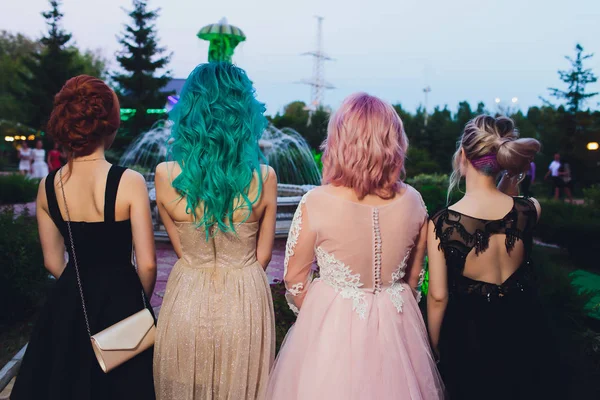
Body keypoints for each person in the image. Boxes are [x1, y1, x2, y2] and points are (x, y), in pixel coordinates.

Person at [266, 93, 444, 400]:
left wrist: (322, 317)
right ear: (394, 141)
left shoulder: (316, 202)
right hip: (398, 325)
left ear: (339, 141)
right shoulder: (414, 201)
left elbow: (295, 281)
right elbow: (415, 279)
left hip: (331, 327)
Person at [11, 75, 157, 400]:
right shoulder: (129, 181)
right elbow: (147, 264)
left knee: (64, 384)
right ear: (109, 125)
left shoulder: (48, 185)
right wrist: (132, 303)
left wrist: (81, 291)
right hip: (121, 302)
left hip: (68, 303)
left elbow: (52, 260)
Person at [153, 63, 277, 400]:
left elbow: (182, 247)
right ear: (244, 112)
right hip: (245, 301)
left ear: (189, 110)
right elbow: (262, 256)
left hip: (187, 296)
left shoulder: (165, 174)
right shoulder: (264, 177)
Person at [428, 115, 562, 400]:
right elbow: (504, 208)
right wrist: (511, 176)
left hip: (470, 338)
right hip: (527, 330)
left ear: (462, 155)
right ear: (501, 158)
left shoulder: (443, 223)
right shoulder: (530, 210)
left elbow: (438, 296)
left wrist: (436, 346)